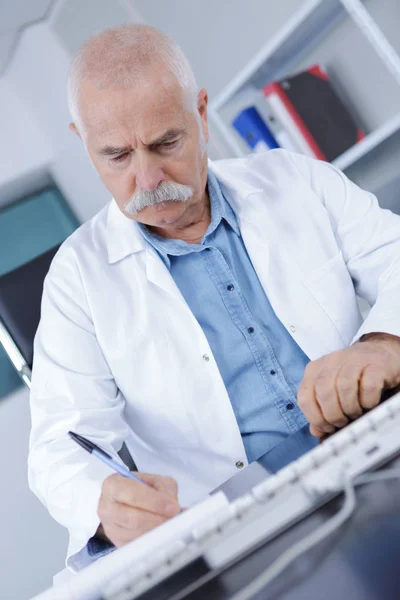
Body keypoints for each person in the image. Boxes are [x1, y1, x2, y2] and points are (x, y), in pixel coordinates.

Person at [29, 24, 400, 571]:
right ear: (85, 145)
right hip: (246, 527)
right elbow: (59, 444)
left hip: (377, 440)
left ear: (201, 115)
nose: (148, 178)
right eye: (117, 156)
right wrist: (101, 502)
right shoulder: (77, 278)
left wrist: (383, 341)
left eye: (166, 143)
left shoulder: (294, 179)